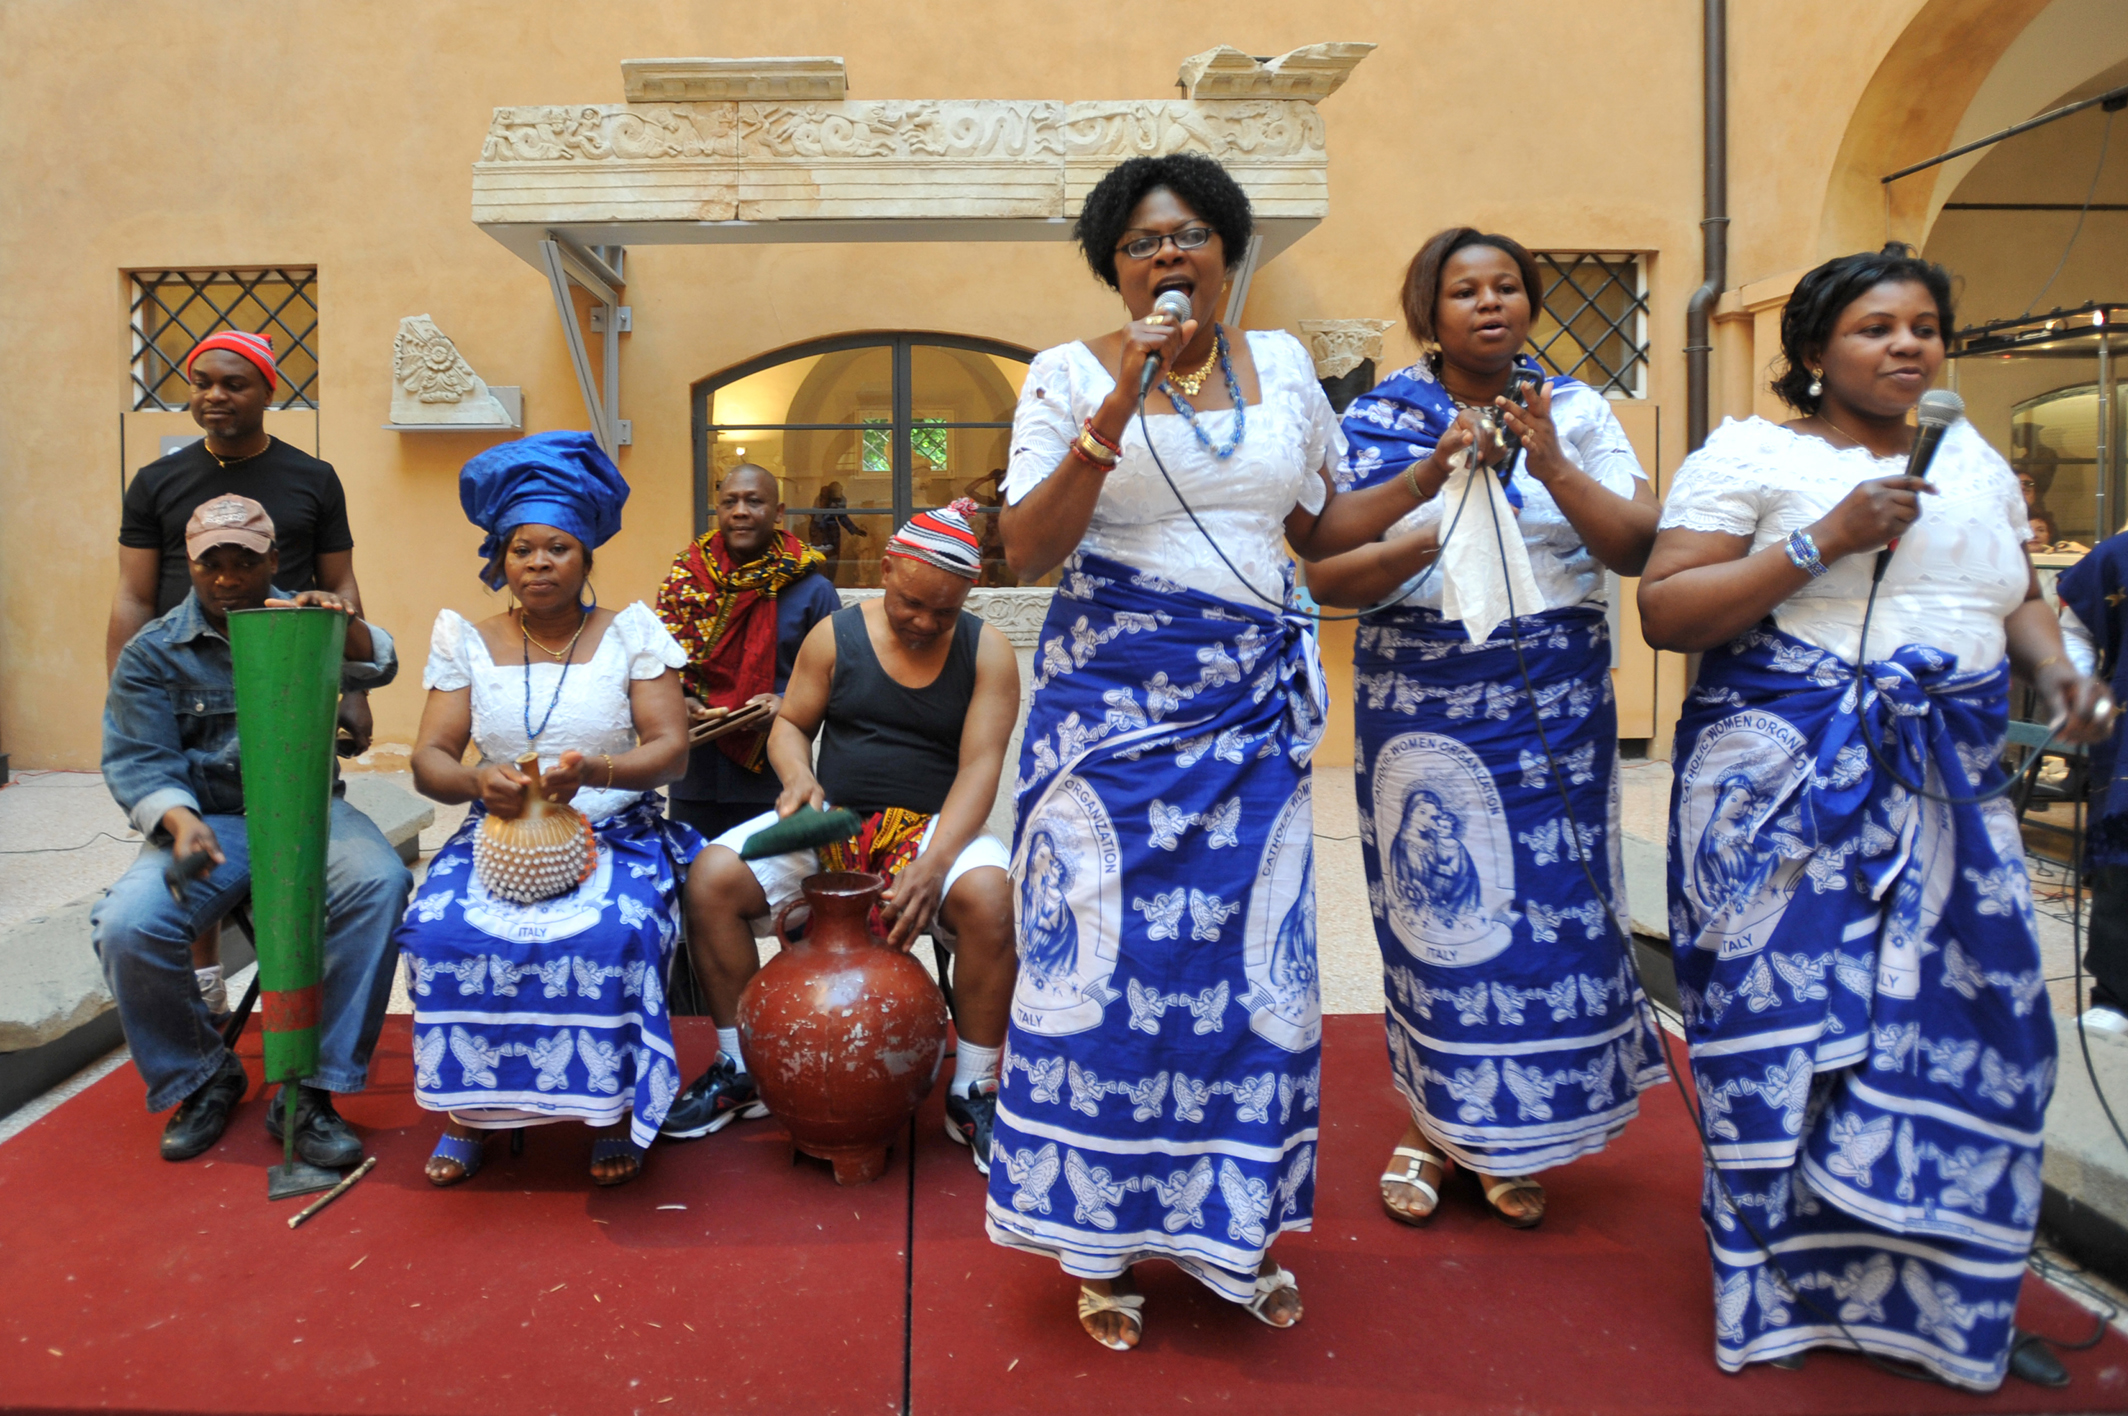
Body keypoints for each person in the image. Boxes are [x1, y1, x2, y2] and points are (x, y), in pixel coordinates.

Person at [1638, 245, 2113, 1390]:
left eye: (1923, 328)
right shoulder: (1753, 455)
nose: (1906, 346)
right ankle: (1781, 1297)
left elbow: (2018, 596)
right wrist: (1823, 539)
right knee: (1795, 1044)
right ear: (1812, 353)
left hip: (1949, 787)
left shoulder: (1980, 465)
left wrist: (2059, 680)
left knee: (1974, 1028)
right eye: (1873, 327)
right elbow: (1665, 607)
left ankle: (1943, 1303)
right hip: (1786, 793)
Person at [989, 152, 1435, 1351]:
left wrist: (1431, 479)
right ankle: (1096, 1244)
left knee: (1257, 984)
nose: (1168, 256)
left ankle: (1232, 1237)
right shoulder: (1068, 376)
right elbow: (1025, 551)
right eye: (1141, 242)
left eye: (1190, 235)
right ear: (1114, 266)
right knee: (1105, 980)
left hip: (1252, 722)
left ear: (1229, 252)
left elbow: (1314, 528)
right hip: (1113, 730)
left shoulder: (1285, 368)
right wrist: (1116, 401)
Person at [1305, 228, 1667, 1230]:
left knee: (1548, 918)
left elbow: (1638, 547)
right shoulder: (1379, 420)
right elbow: (1328, 576)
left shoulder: (1576, 409)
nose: (1490, 304)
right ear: (1430, 310)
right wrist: (1432, 494)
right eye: (1464, 290)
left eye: (1507, 286)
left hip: (1553, 698)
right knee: (1438, 918)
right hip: (1424, 700)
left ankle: (1518, 1136)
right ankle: (1432, 1125)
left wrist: (1549, 465)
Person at [396, 432, 700, 1189]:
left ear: (586, 557)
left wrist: (600, 769)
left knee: (613, 931)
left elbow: (671, 749)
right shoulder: (466, 641)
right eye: (522, 549)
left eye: (558, 547)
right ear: (500, 558)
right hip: (498, 833)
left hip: (616, 833)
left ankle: (608, 1110)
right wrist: (476, 783)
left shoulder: (631, 634)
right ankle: (469, 1111)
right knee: (439, 928)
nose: (539, 563)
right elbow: (430, 758)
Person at [673, 502, 1021, 1163]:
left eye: (943, 613)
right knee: (712, 877)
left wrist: (936, 858)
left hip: (931, 827)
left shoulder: (988, 651)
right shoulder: (835, 634)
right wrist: (796, 779)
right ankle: (737, 1067)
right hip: (834, 821)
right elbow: (791, 725)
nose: (923, 623)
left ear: (967, 597)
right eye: (911, 604)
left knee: (992, 895)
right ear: (885, 571)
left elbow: (980, 768)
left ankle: (974, 1086)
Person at [94, 494, 409, 1164]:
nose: (228, 577)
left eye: (244, 561)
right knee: (129, 924)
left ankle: (312, 1089)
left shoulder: (304, 619)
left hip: (308, 812)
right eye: (213, 563)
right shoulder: (154, 653)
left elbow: (379, 661)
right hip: (209, 820)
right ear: (190, 563)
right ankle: (203, 1075)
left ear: (274, 560)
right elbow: (138, 760)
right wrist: (178, 823)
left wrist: (340, 622)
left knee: (379, 884)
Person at [107, 332, 374, 1020]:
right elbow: (134, 598)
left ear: (268, 391)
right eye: (201, 383)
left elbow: (340, 583)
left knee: (301, 824)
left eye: (233, 384)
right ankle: (208, 1000)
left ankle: (304, 1020)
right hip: (183, 672)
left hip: (281, 670)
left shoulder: (311, 478)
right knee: (195, 821)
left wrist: (355, 690)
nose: (214, 396)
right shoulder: (156, 483)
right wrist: (126, 703)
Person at [656, 463, 841, 842]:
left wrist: (786, 703)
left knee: (767, 888)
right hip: (696, 775)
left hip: (776, 774)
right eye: (730, 501)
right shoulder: (685, 581)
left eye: (754, 501)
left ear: (778, 513)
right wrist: (681, 700)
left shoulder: (813, 590)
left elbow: (838, 678)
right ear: (719, 510)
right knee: (696, 881)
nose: (740, 510)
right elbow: (660, 664)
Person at [2053, 531, 2128, 1035]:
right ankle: (2116, 997)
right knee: (2124, 868)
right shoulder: (2120, 555)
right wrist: (2079, 681)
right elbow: (2074, 626)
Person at [808, 481, 869, 587]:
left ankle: (829, 582)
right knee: (819, 558)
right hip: (820, 531)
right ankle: (819, 584)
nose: (839, 492)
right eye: (837, 490)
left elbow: (842, 517)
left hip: (833, 531)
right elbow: (815, 516)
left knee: (834, 559)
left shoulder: (842, 499)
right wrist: (824, 503)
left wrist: (854, 530)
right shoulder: (821, 498)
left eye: (840, 490)